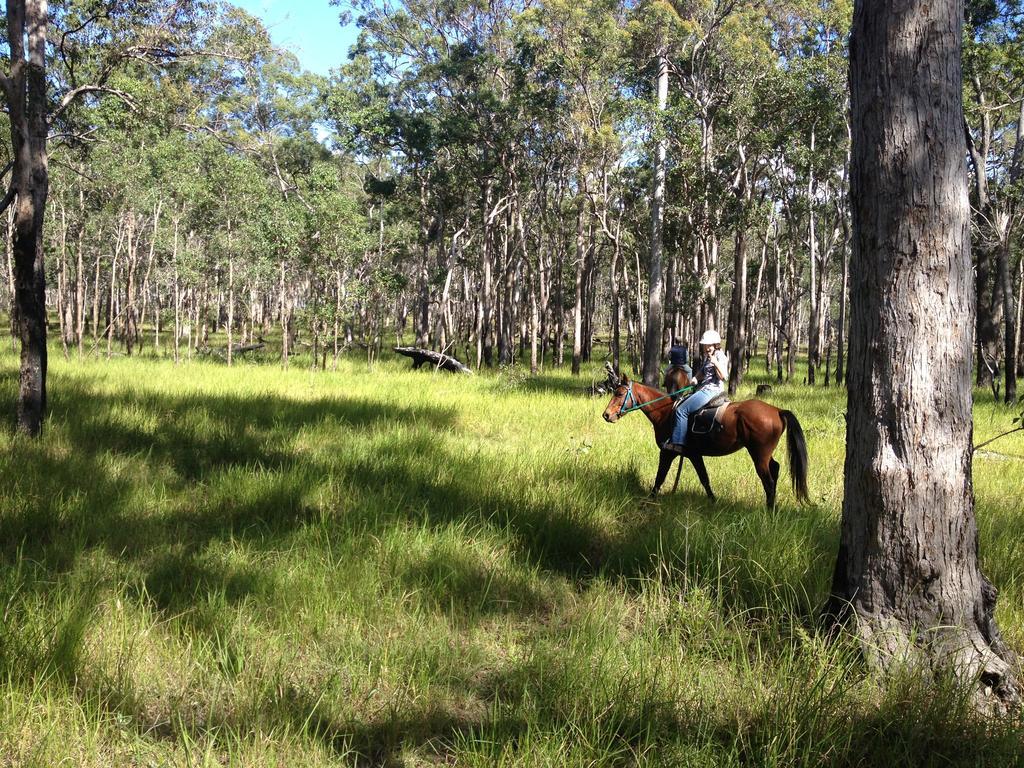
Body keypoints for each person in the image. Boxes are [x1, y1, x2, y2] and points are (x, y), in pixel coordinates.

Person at [664, 329, 729, 452]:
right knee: (681, 402)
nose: (707, 348)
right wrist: (695, 378)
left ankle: (678, 443)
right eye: (705, 345)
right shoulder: (708, 357)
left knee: (681, 410)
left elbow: (723, 377)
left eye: (709, 345)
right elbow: (703, 372)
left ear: (715, 345)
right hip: (704, 388)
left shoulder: (720, 357)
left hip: (712, 390)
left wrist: (715, 363)